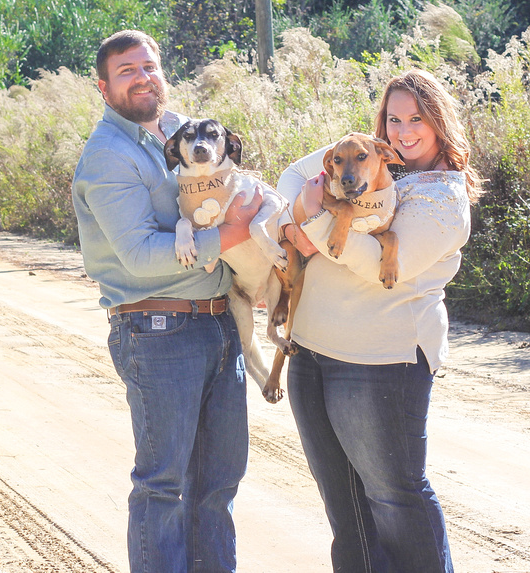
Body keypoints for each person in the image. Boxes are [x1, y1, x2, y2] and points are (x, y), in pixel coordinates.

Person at [277, 69, 482, 573]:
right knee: (346, 514)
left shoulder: (442, 197)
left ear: (439, 123)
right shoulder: (360, 152)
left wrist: (311, 220)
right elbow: (290, 178)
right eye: (394, 119)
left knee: (396, 501)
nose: (404, 130)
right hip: (311, 352)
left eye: (417, 119)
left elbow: (376, 267)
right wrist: (301, 207)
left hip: (379, 363)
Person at [71, 30, 260, 573]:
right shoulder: (109, 155)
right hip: (157, 333)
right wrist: (231, 237)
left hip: (220, 326)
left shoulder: (183, 134)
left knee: (218, 485)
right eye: (126, 71)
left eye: (149, 66)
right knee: (164, 487)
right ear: (104, 88)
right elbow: (137, 254)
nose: (142, 77)